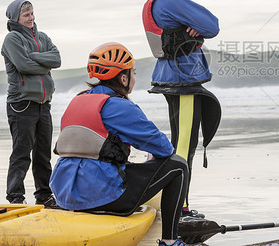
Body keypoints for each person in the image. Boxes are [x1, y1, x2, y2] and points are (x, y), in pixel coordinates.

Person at [50, 42, 190, 246]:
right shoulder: (118, 105)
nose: (134, 77)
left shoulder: (77, 101)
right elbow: (164, 148)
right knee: (178, 165)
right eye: (133, 72)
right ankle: (169, 241)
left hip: (63, 194)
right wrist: (152, 157)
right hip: (100, 196)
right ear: (123, 78)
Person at [142, 0, 221, 218]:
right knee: (184, 146)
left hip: (172, 78)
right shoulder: (171, 2)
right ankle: (180, 208)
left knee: (181, 142)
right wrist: (199, 28)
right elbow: (213, 25)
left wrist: (197, 28)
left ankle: (174, 201)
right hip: (183, 81)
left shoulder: (155, 1)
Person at [1, 0, 61, 207]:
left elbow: (57, 59)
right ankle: (15, 196)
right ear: (16, 18)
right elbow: (23, 65)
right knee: (21, 152)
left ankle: (44, 195)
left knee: (43, 154)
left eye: (32, 13)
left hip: (44, 104)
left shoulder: (43, 37)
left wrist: (35, 57)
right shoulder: (12, 39)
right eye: (26, 15)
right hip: (21, 104)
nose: (31, 18)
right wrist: (43, 63)